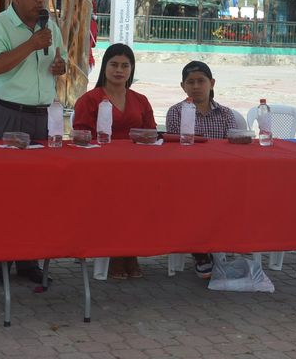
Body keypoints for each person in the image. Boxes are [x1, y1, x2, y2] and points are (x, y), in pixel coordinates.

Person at [0, 0, 67, 285]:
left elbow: (59, 62)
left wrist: (59, 66)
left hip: (43, 117)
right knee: (4, 193)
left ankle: (28, 260)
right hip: (10, 115)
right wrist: (31, 44)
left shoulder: (50, 26)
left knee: (36, 193)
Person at [73, 42, 156, 279]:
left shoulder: (141, 100)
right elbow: (80, 135)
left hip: (136, 168)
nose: (119, 70)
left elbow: (151, 132)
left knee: (145, 195)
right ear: (104, 67)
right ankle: (117, 253)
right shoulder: (89, 100)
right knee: (118, 196)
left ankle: (131, 251)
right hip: (100, 168)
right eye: (114, 65)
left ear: (131, 69)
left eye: (125, 66)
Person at [165, 60, 239, 279]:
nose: (196, 86)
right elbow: (175, 149)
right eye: (190, 82)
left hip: (220, 174)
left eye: (201, 81)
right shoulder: (176, 112)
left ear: (212, 83)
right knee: (191, 198)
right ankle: (200, 252)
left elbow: (231, 149)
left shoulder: (226, 114)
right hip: (188, 175)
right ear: (183, 86)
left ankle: (221, 244)